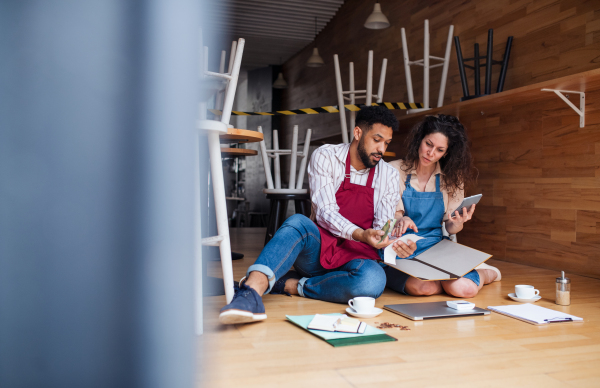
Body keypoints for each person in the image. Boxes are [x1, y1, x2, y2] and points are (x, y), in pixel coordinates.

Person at [219, 106, 416, 324]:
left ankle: (292, 285)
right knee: (297, 222)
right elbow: (325, 212)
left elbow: (382, 225)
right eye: (377, 140)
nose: (382, 149)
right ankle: (250, 292)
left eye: (386, 143)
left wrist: (389, 240)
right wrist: (361, 233)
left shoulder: (387, 174)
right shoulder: (326, 156)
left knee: (372, 282)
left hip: (357, 257)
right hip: (318, 251)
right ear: (358, 133)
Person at [384, 114, 501, 298]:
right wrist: (402, 218)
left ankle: (486, 272)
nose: (431, 153)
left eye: (439, 150)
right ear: (420, 139)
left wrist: (458, 222)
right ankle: (445, 279)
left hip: (436, 249)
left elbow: (450, 228)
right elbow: (394, 215)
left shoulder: (451, 179)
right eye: (428, 144)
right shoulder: (393, 170)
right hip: (401, 248)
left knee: (465, 290)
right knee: (424, 288)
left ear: (446, 153)